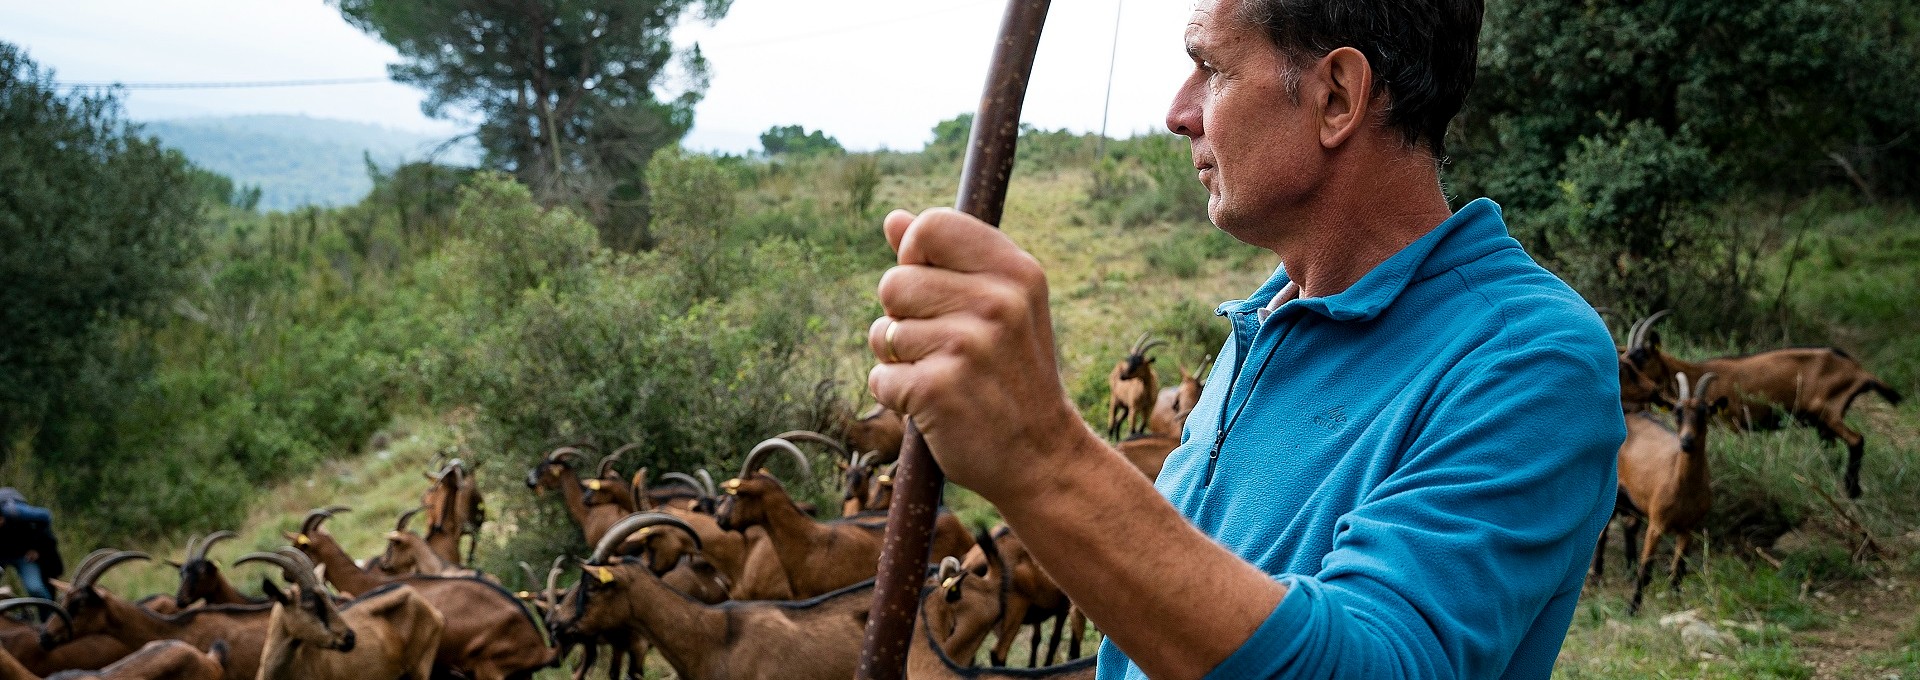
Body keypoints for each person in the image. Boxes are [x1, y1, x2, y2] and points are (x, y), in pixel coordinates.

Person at [865, 0, 1623, 677]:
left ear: (1337, 97)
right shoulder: (1265, 323)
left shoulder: (1529, 360)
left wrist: (1042, 459)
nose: (1177, 112)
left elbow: (1379, 661)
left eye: (1211, 68)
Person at [0, 487, 62, 601]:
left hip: (23, 555)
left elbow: (45, 516)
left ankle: (50, 611)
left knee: (35, 589)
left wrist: (36, 548)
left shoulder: (16, 512)